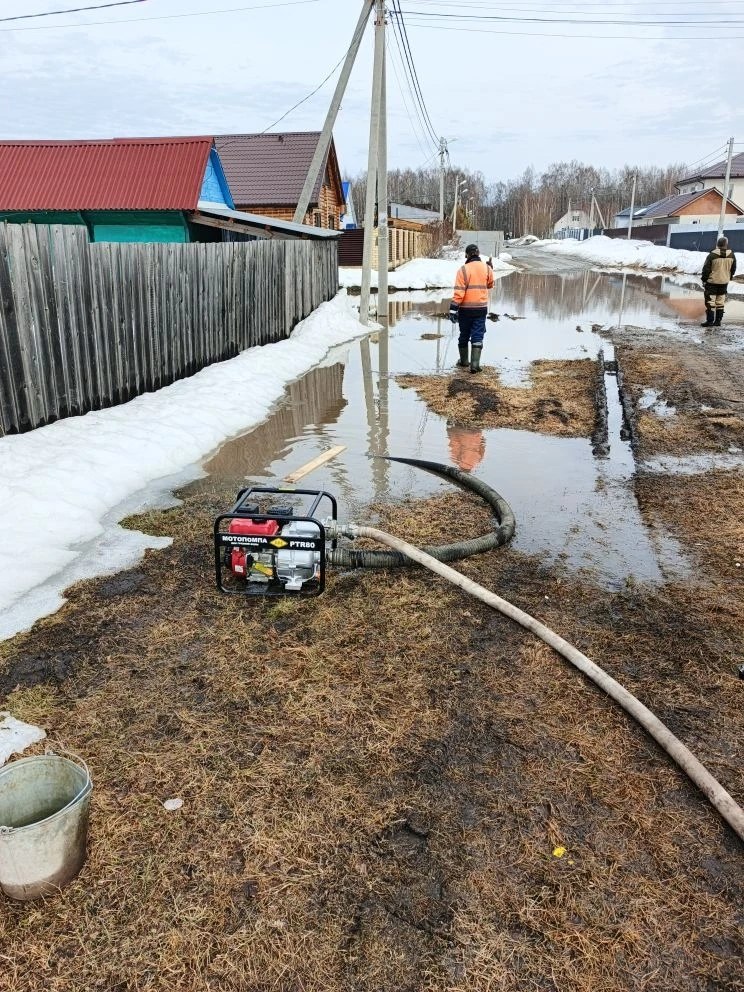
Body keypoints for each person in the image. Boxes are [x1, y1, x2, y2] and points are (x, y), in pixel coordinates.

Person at [449, 243, 495, 373]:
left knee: (464, 334)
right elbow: (490, 285)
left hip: (465, 310)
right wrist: (490, 269)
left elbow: (459, 292)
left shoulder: (463, 270)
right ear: (478, 254)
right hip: (480, 309)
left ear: (467, 255)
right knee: (478, 335)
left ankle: (464, 361)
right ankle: (475, 365)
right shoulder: (487, 268)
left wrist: (453, 309)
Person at [701, 236, 737, 327]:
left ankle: (709, 321)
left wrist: (704, 280)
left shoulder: (712, 255)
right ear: (726, 244)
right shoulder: (732, 255)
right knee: (720, 302)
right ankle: (718, 321)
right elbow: (733, 269)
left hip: (712, 282)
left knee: (710, 302)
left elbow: (706, 269)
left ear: (717, 244)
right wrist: (729, 277)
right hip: (724, 282)